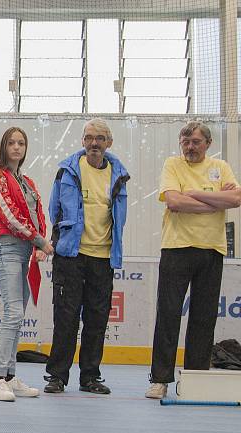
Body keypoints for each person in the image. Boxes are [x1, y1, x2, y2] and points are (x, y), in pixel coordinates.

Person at [146, 121, 241, 399]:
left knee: (204, 317)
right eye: (185, 142)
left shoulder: (220, 168)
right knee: (169, 314)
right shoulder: (172, 165)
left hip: (212, 249)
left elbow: (236, 199)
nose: (189, 147)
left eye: (196, 142)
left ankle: (196, 380)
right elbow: (174, 202)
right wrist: (213, 202)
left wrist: (197, 194)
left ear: (207, 144)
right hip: (176, 247)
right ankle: (160, 379)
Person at [44, 118, 130, 395]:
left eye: (100, 138)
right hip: (70, 255)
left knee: (97, 319)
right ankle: (57, 376)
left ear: (109, 143)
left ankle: (90, 376)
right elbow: (54, 210)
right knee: (66, 318)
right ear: (82, 141)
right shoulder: (66, 171)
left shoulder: (119, 174)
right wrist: (61, 241)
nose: (94, 143)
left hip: (103, 257)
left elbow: (118, 214)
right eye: (90, 137)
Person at [0, 127, 52, 401]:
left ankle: (9, 375)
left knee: (18, 314)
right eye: (12, 142)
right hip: (6, 247)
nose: (17, 147)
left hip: (26, 249)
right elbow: (8, 215)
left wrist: (40, 243)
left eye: (21, 143)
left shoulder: (28, 182)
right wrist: (39, 239)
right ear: (4, 146)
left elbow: (37, 213)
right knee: (13, 313)